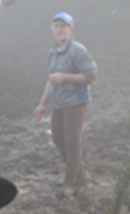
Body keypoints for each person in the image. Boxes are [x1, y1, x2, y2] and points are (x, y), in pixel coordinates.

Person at [33, 12, 97, 198]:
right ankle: (79, 177)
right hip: (59, 102)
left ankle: (70, 184)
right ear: (53, 29)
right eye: (56, 26)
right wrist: (42, 104)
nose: (60, 30)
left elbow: (90, 76)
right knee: (57, 137)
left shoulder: (78, 50)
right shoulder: (53, 52)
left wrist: (65, 77)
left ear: (71, 30)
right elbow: (52, 80)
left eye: (64, 26)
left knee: (72, 140)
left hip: (76, 102)